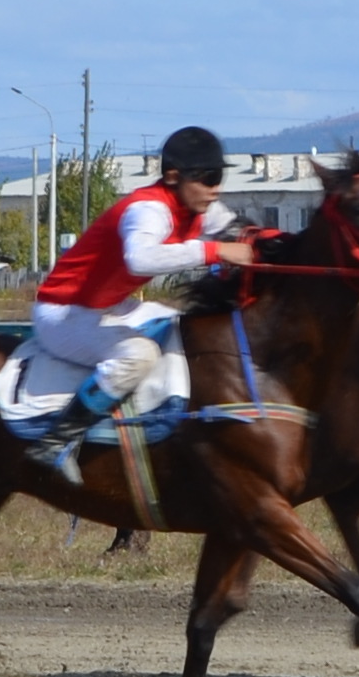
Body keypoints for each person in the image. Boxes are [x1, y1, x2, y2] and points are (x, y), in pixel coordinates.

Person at [21, 127, 254, 454]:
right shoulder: (147, 210)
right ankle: (58, 440)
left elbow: (242, 233)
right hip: (62, 315)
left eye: (219, 178)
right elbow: (140, 259)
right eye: (208, 178)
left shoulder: (199, 206)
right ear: (173, 177)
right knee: (139, 355)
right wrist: (215, 251)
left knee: (187, 325)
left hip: (108, 307)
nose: (215, 189)